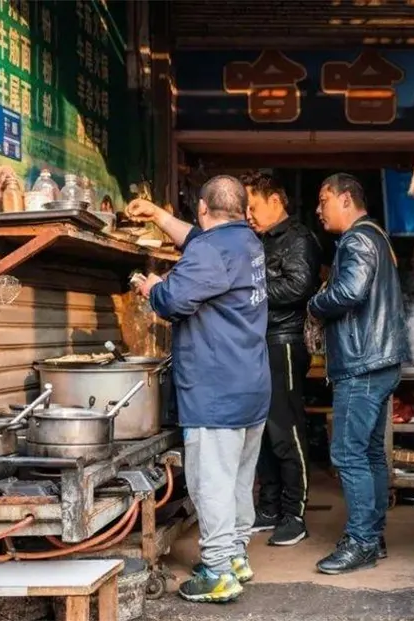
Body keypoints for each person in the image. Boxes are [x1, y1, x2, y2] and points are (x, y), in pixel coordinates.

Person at [128, 176, 270, 604]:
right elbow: (198, 240)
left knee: (211, 484)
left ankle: (217, 572)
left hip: (215, 392)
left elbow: (173, 301)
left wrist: (153, 288)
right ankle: (236, 557)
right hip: (250, 386)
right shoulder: (245, 242)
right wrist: (156, 215)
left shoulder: (212, 250)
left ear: (204, 209)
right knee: (238, 482)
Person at [308, 173, 411, 575]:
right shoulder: (377, 237)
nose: (318, 210)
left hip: (362, 362)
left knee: (349, 454)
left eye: (323, 200)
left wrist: (316, 304)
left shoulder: (357, 239)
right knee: (368, 453)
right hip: (379, 361)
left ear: (346, 199)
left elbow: (349, 292)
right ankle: (373, 536)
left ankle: (362, 542)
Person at [239, 171, 322, 545]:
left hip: (284, 343)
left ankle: (295, 514)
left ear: (275, 201)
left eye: (253, 207)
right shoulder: (258, 240)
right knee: (261, 427)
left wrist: (248, 288)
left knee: (285, 428)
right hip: (258, 342)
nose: (248, 215)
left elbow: (299, 285)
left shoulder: (297, 238)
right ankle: (269, 507)